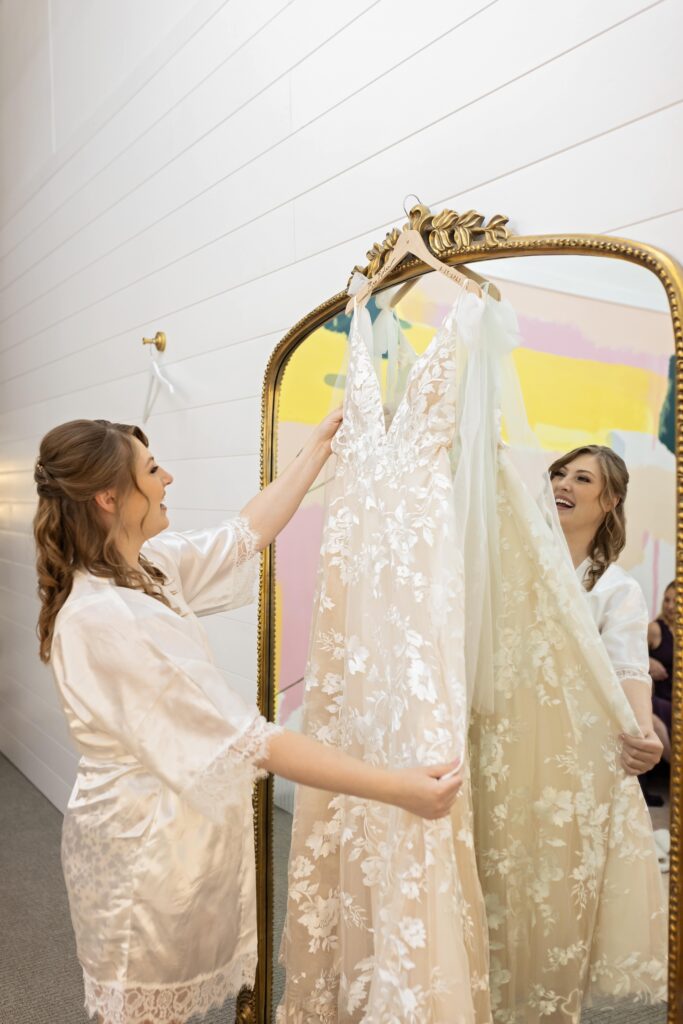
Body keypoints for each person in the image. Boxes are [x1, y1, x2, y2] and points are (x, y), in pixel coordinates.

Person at [33, 416, 463, 1024]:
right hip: (139, 854)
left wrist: (316, 450)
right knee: (134, 1008)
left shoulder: (144, 566)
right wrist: (398, 789)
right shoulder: (109, 617)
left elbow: (245, 532)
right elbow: (251, 741)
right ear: (109, 498)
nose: (167, 478)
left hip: (172, 833)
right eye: (152, 471)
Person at [549, 444, 664, 777]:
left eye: (582, 479)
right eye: (559, 473)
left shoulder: (617, 589)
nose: (563, 484)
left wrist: (644, 732)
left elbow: (628, 669)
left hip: (575, 747)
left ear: (610, 501)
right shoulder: (516, 567)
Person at [649, 581, 674, 763]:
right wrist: (648, 661)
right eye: (666, 600)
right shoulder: (655, 629)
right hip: (658, 699)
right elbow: (631, 658)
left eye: (675, 601)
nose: (670, 606)